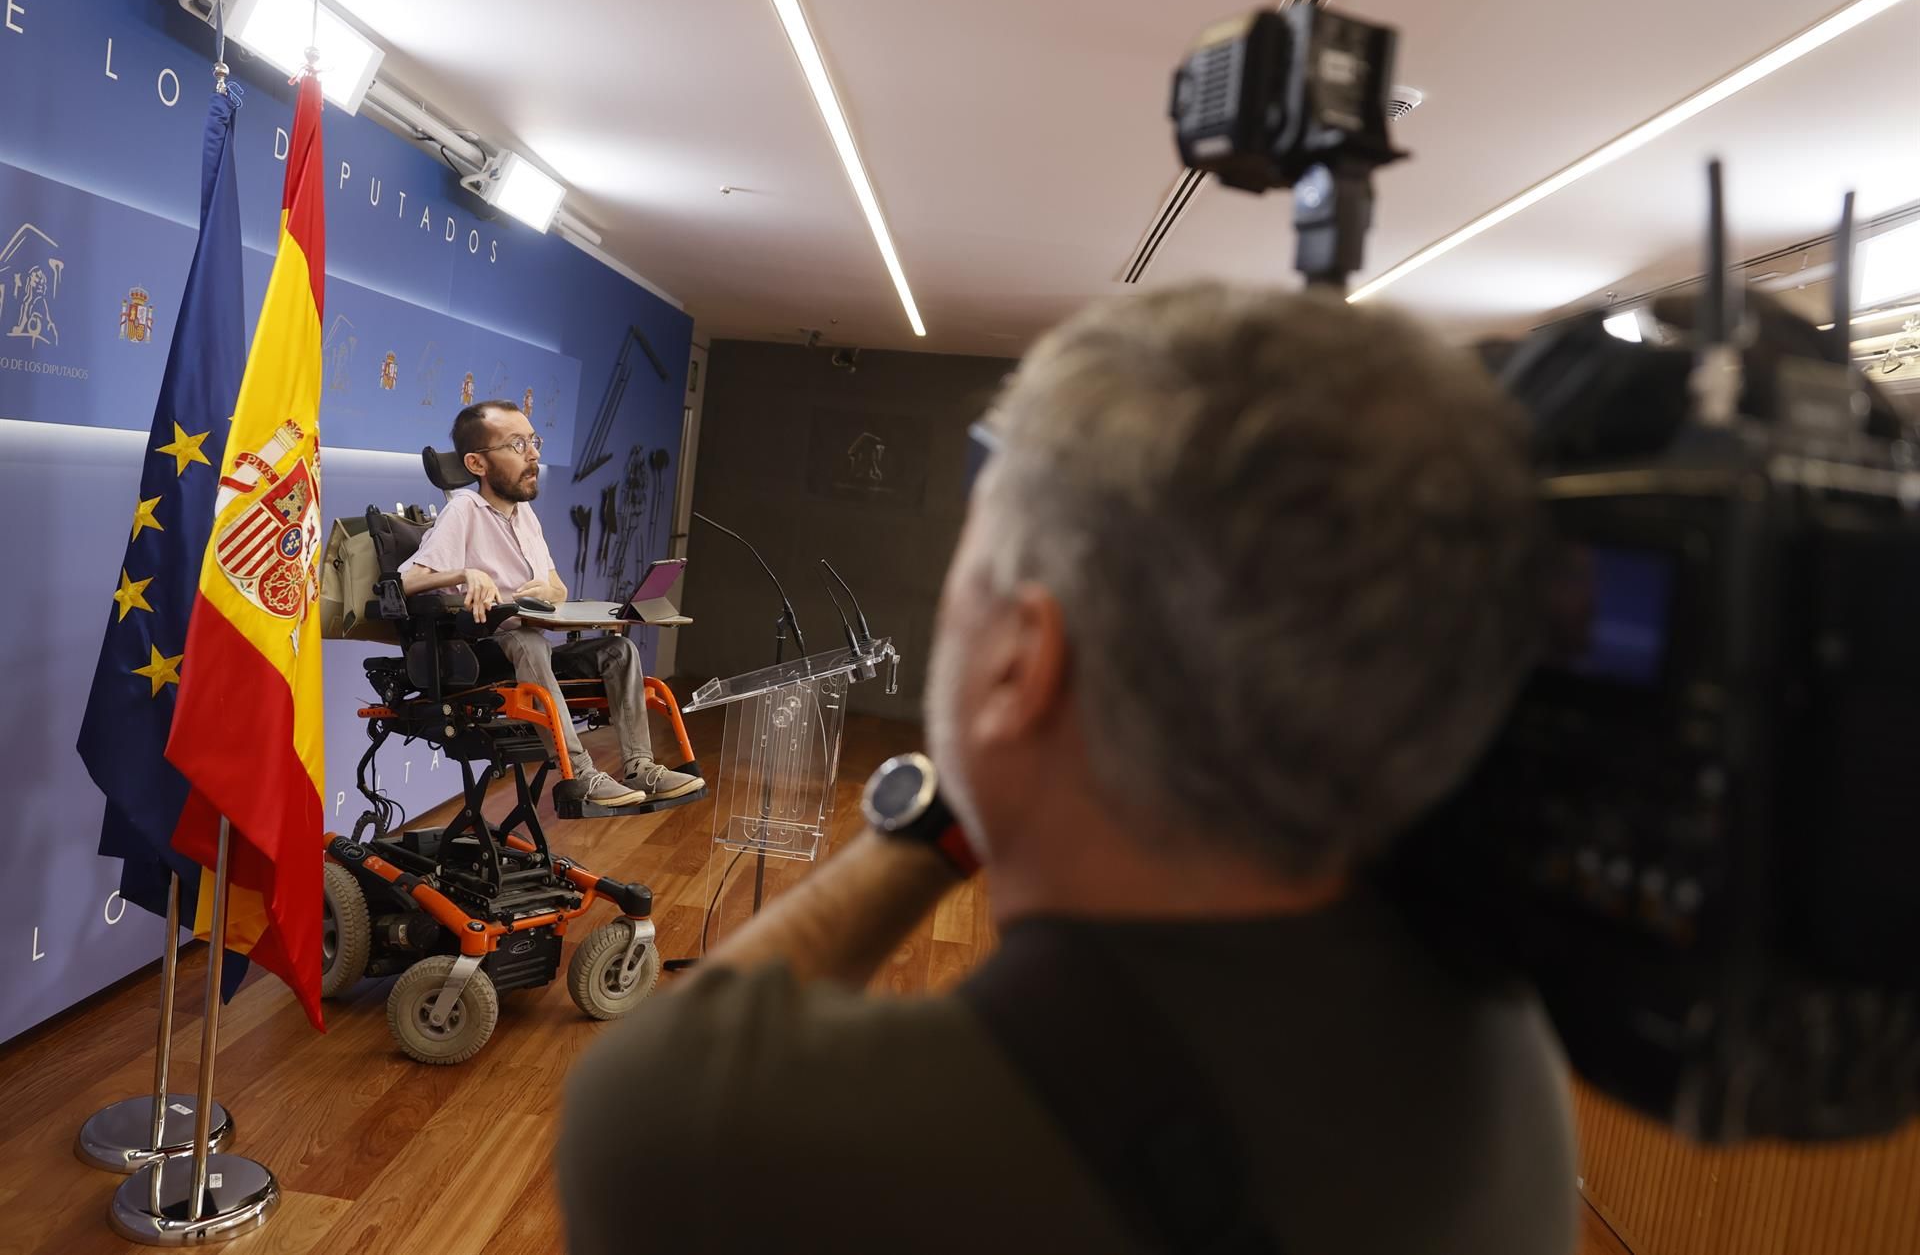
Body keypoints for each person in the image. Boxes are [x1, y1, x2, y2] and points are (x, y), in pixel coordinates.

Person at [556, 285, 1576, 1254]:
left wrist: (934, 816)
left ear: (1022, 662)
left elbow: (688, 1062)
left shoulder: (710, 1135)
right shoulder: (1501, 1055)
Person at [400, 400, 703, 808]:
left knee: (619, 649)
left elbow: (557, 586)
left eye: (534, 441)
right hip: (480, 655)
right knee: (529, 642)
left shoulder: (525, 515)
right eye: (517, 444)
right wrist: (463, 574)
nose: (534, 453)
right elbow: (406, 582)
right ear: (477, 464)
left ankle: (641, 766)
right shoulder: (463, 511)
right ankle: (580, 774)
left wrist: (547, 591)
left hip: (530, 654)